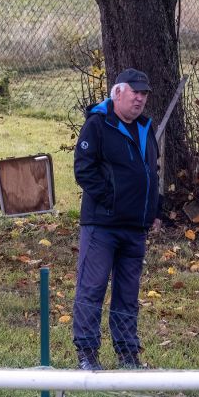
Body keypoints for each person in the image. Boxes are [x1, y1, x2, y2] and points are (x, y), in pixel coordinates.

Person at [72, 68, 162, 370]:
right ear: (117, 93)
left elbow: (152, 174)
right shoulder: (97, 125)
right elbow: (84, 170)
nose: (140, 98)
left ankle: (127, 353)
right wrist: (111, 200)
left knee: (128, 294)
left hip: (136, 228)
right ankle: (86, 353)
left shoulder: (146, 129)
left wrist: (153, 211)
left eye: (144, 93)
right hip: (102, 225)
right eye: (135, 92)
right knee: (92, 287)